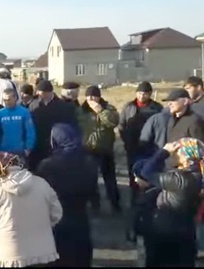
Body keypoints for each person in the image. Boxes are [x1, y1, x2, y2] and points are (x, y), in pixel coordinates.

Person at [0, 152, 62, 267]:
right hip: (42, 251)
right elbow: (57, 212)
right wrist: (44, 226)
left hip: (10, 253)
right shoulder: (41, 184)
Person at [132, 138, 202, 266]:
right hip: (185, 234)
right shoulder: (195, 175)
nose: (173, 155)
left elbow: (147, 172)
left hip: (166, 235)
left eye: (177, 152)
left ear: (185, 157)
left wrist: (164, 151)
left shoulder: (180, 179)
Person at [36, 123, 98, 267]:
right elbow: (93, 191)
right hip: (80, 217)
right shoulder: (89, 162)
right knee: (80, 256)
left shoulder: (47, 165)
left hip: (55, 219)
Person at [119, 81, 163, 206]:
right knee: (133, 176)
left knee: (150, 175)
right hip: (132, 147)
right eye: (139, 93)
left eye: (144, 94)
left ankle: (150, 201)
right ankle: (134, 201)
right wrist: (126, 141)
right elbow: (122, 125)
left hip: (150, 148)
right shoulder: (129, 107)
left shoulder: (157, 108)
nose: (141, 96)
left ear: (150, 94)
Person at [81, 85, 121, 212]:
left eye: (94, 96)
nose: (91, 99)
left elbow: (113, 122)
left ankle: (115, 204)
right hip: (88, 149)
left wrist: (100, 111)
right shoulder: (82, 110)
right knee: (91, 179)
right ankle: (95, 205)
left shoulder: (108, 108)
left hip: (105, 149)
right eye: (89, 96)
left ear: (99, 97)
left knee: (109, 179)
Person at [27, 80, 78, 169]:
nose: (38, 94)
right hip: (38, 144)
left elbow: (69, 126)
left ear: (49, 92)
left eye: (41, 92)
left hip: (55, 145)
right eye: (37, 91)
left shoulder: (63, 106)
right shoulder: (33, 105)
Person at [0, 88, 36, 161]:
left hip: (20, 151)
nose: (6, 102)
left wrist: (28, 148)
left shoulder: (24, 112)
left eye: (9, 99)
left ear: (15, 98)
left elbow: (30, 131)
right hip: (4, 151)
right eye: (4, 100)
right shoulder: (0, 113)